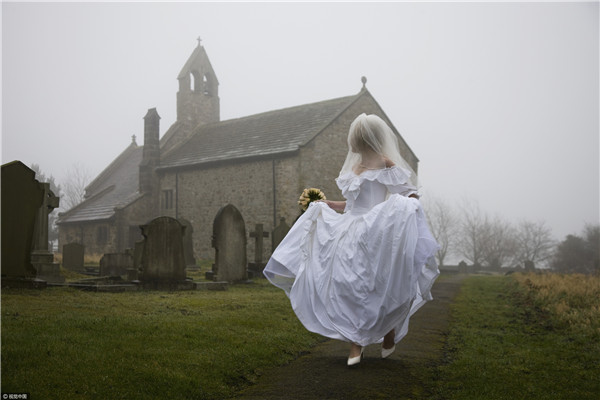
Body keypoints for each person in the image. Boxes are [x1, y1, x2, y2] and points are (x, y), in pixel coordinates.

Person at [263, 113, 440, 366]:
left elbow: (410, 195)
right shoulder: (354, 168)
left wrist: (396, 210)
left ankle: (388, 330)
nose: (353, 143)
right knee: (349, 283)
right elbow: (351, 205)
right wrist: (327, 204)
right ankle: (355, 343)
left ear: (366, 139)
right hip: (352, 230)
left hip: (377, 230)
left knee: (377, 284)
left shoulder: (386, 163)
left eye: (356, 138)